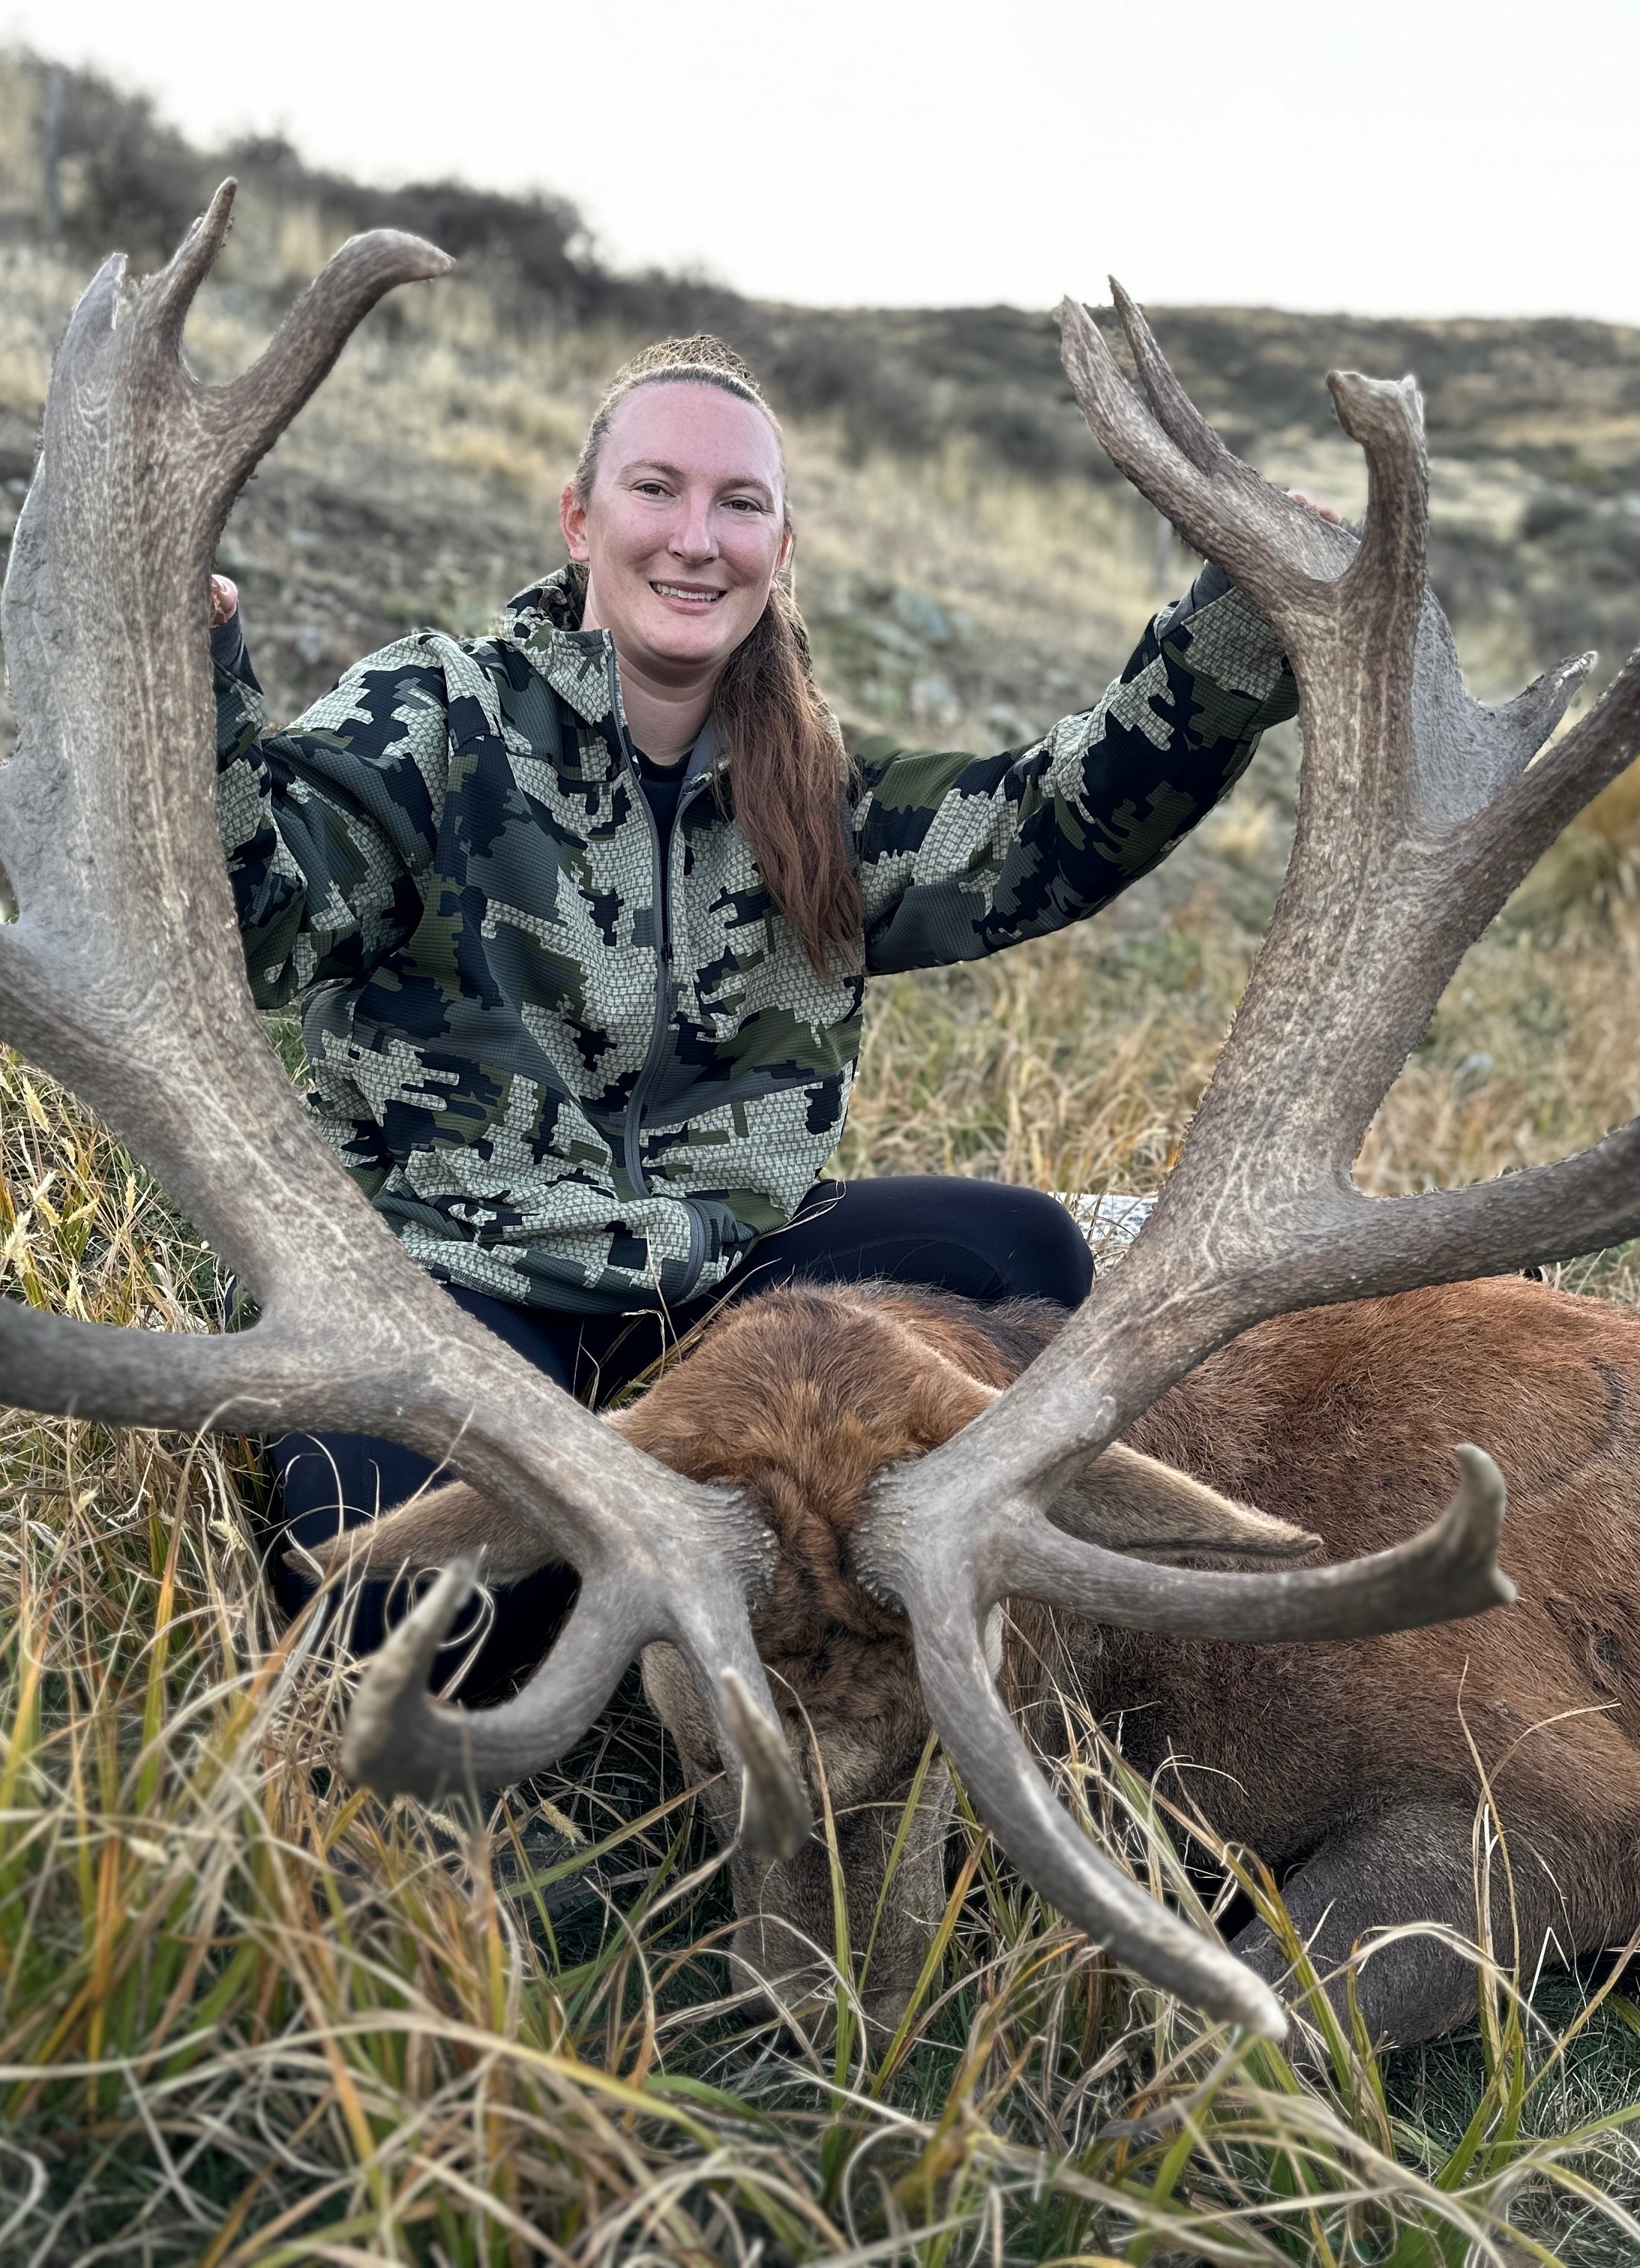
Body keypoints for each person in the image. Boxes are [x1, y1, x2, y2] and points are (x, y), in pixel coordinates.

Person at [211, 335, 1306, 1692]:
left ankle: (857, 1593)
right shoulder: (439, 719)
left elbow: (1051, 834)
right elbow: (256, 912)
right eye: (656, 489)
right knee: (417, 1630)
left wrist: (1242, 621)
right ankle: (694, 1615)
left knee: (1025, 1258)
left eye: (741, 505)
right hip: (454, 1271)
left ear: (780, 547)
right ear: (580, 518)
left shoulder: (819, 788)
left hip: (718, 1282)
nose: (696, 539)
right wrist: (195, 675)